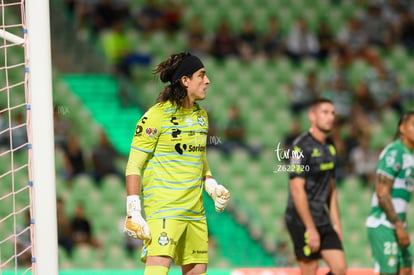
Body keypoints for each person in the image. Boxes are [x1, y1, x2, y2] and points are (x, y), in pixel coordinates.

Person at [123, 52, 231, 275]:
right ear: (185, 80)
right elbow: (134, 165)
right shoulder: (155, 116)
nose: (207, 80)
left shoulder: (202, 117)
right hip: (165, 209)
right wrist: (133, 210)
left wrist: (211, 185)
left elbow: (198, 156)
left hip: (195, 211)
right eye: (201, 75)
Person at [284, 98, 347, 275]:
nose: (330, 117)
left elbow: (331, 188)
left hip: (322, 218)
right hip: (300, 219)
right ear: (312, 116)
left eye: (333, 113)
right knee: (310, 270)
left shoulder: (330, 147)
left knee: (340, 269)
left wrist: (337, 224)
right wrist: (310, 228)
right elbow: (297, 189)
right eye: (325, 112)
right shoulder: (300, 147)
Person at [365, 111, 414, 275]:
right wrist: (398, 226)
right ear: (402, 127)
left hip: (400, 224)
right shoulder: (395, 152)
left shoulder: (411, 156)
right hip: (384, 224)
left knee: (406, 270)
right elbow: (382, 194)